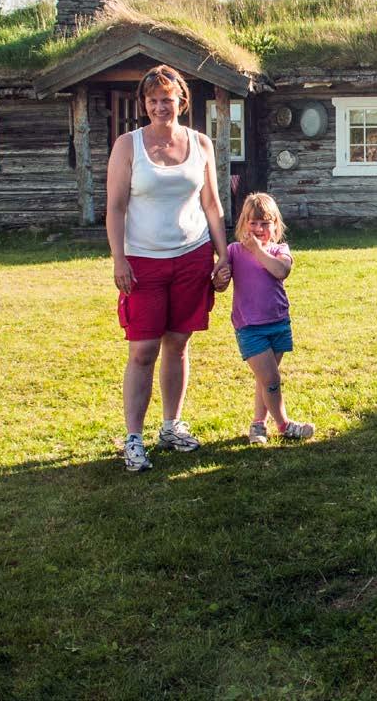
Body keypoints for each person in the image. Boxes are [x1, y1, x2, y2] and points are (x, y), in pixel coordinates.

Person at [106, 64, 231, 472]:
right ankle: (134, 437)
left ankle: (171, 425)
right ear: (144, 104)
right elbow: (116, 206)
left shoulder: (200, 143)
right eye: (153, 100)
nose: (161, 106)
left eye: (168, 99)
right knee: (143, 349)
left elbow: (212, 205)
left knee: (178, 344)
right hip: (143, 260)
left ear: (181, 101)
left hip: (192, 256)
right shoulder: (128, 146)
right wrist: (119, 258)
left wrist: (222, 256)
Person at [214, 193, 314, 444]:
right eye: (253, 222)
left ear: (275, 225)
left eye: (264, 223)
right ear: (243, 224)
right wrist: (219, 278)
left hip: (278, 323)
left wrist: (258, 250)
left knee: (265, 378)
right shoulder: (234, 251)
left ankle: (258, 425)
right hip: (250, 327)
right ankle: (284, 425)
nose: (258, 229)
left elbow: (281, 271)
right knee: (271, 379)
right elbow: (220, 284)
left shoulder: (280, 250)